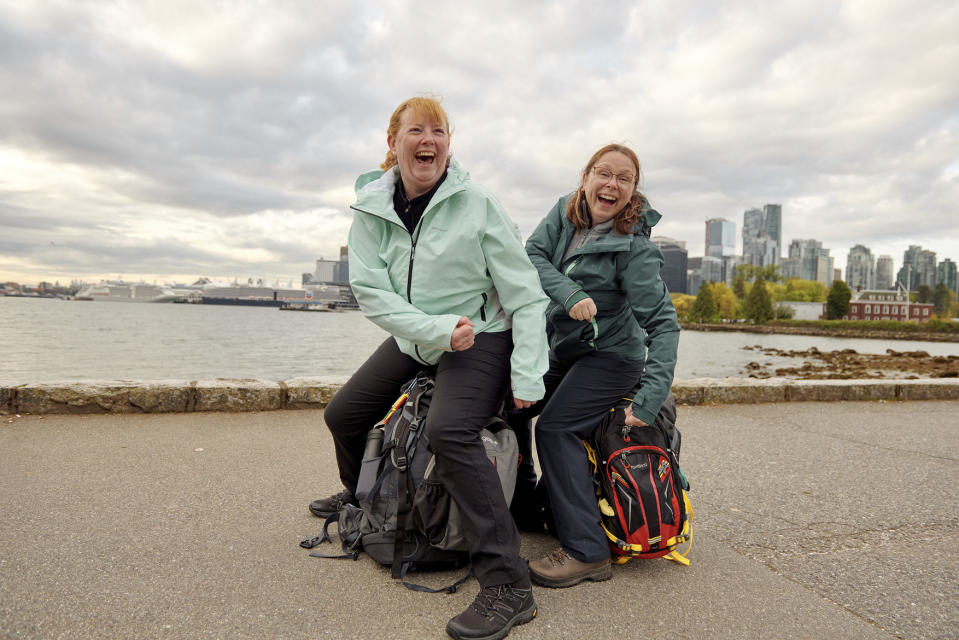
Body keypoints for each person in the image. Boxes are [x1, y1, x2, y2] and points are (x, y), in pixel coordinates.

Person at [309, 96, 549, 640]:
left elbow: (527, 296)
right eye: (416, 130)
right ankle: (365, 499)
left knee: (449, 431)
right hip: (422, 335)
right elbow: (371, 293)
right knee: (343, 415)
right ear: (392, 144)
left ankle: (509, 584)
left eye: (439, 131)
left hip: (480, 335)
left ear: (448, 145)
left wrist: (528, 373)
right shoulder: (371, 209)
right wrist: (432, 331)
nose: (429, 141)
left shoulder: (478, 203)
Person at [522, 143, 680, 588]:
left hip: (613, 358)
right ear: (586, 178)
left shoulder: (634, 250)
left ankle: (587, 552)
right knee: (515, 402)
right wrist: (569, 294)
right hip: (569, 351)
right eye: (602, 173)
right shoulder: (565, 214)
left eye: (623, 178)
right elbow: (531, 256)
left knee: (554, 427)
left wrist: (648, 401)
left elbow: (664, 326)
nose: (610, 183)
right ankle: (527, 504)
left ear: (631, 192)